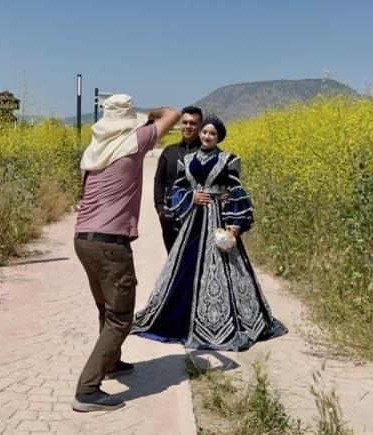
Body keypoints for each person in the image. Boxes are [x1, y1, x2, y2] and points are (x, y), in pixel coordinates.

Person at [132, 116, 287, 351]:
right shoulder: (187, 160)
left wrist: (234, 226)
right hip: (194, 222)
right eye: (204, 132)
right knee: (185, 267)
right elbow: (177, 189)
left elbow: (236, 190)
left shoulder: (229, 160)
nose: (207, 136)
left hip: (218, 219)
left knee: (225, 268)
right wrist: (192, 196)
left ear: (218, 137)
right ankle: (180, 319)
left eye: (212, 133)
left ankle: (227, 321)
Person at [72, 94, 180, 412]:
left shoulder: (91, 152)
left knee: (104, 308)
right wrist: (145, 115)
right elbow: (172, 113)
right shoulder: (134, 142)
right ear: (130, 121)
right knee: (120, 318)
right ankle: (87, 390)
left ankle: (112, 362)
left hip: (83, 240)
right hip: (110, 244)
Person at [154, 106, 203, 253]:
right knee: (173, 258)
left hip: (198, 217)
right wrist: (160, 210)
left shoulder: (207, 152)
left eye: (193, 123)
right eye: (185, 122)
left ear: (200, 126)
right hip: (171, 218)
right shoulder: (169, 151)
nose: (188, 126)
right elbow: (159, 181)